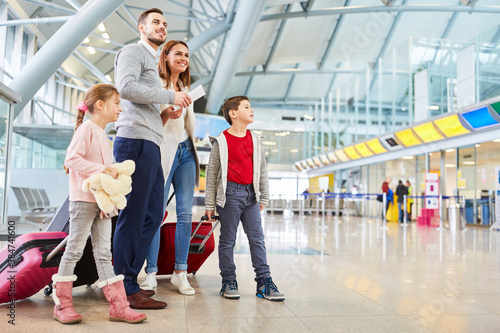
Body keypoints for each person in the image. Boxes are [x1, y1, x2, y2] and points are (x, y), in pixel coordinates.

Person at [113, 8, 192, 309]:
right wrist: (169, 97)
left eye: (164, 23)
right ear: (141, 27)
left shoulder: (149, 58)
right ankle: (124, 285)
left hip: (150, 141)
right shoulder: (134, 51)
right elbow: (126, 87)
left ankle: (130, 279)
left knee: (152, 214)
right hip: (134, 142)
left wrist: (165, 112)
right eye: (156, 22)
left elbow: (144, 103)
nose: (162, 26)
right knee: (134, 215)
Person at [53, 84, 146, 324]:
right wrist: (102, 169)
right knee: (74, 249)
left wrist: (111, 194)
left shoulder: (102, 134)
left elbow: (103, 173)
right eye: (116, 102)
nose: (120, 108)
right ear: (100, 105)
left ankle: (119, 307)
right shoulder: (87, 128)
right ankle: (62, 306)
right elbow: (72, 159)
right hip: (83, 201)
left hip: (102, 205)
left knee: (104, 253)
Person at [204, 96, 285, 301]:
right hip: (230, 195)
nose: (252, 110)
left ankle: (264, 282)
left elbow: (262, 171)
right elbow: (212, 174)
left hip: (252, 195)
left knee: (257, 239)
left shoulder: (255, 140)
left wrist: (263, 196)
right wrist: (209, 205)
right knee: (228, 241)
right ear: (233, 114)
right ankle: (228, 281)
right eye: (246, 107)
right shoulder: (221, 141)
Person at [141, 40, 199, 295]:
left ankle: (180, 272)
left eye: (186, 55)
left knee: (186, 213)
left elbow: (188, 124)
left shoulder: (186, 87)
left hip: (186, 152)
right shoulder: (156, 85)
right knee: (156, 211)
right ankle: (150, 272)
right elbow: (151, 121)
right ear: (165, 56)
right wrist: (168, 115)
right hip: (164, 152)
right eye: (178, 53)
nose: (183, 58)